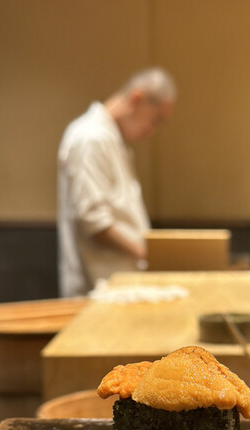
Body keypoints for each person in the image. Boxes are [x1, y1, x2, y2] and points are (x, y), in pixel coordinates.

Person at [57, 68, 176, 297]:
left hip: (118, 287)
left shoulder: (112, 140)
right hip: (98, 289)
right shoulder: (91, 137)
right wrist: (147, 254)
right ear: (137, 99)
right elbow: (94, 223)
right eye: (156, 120)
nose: (152, 131)